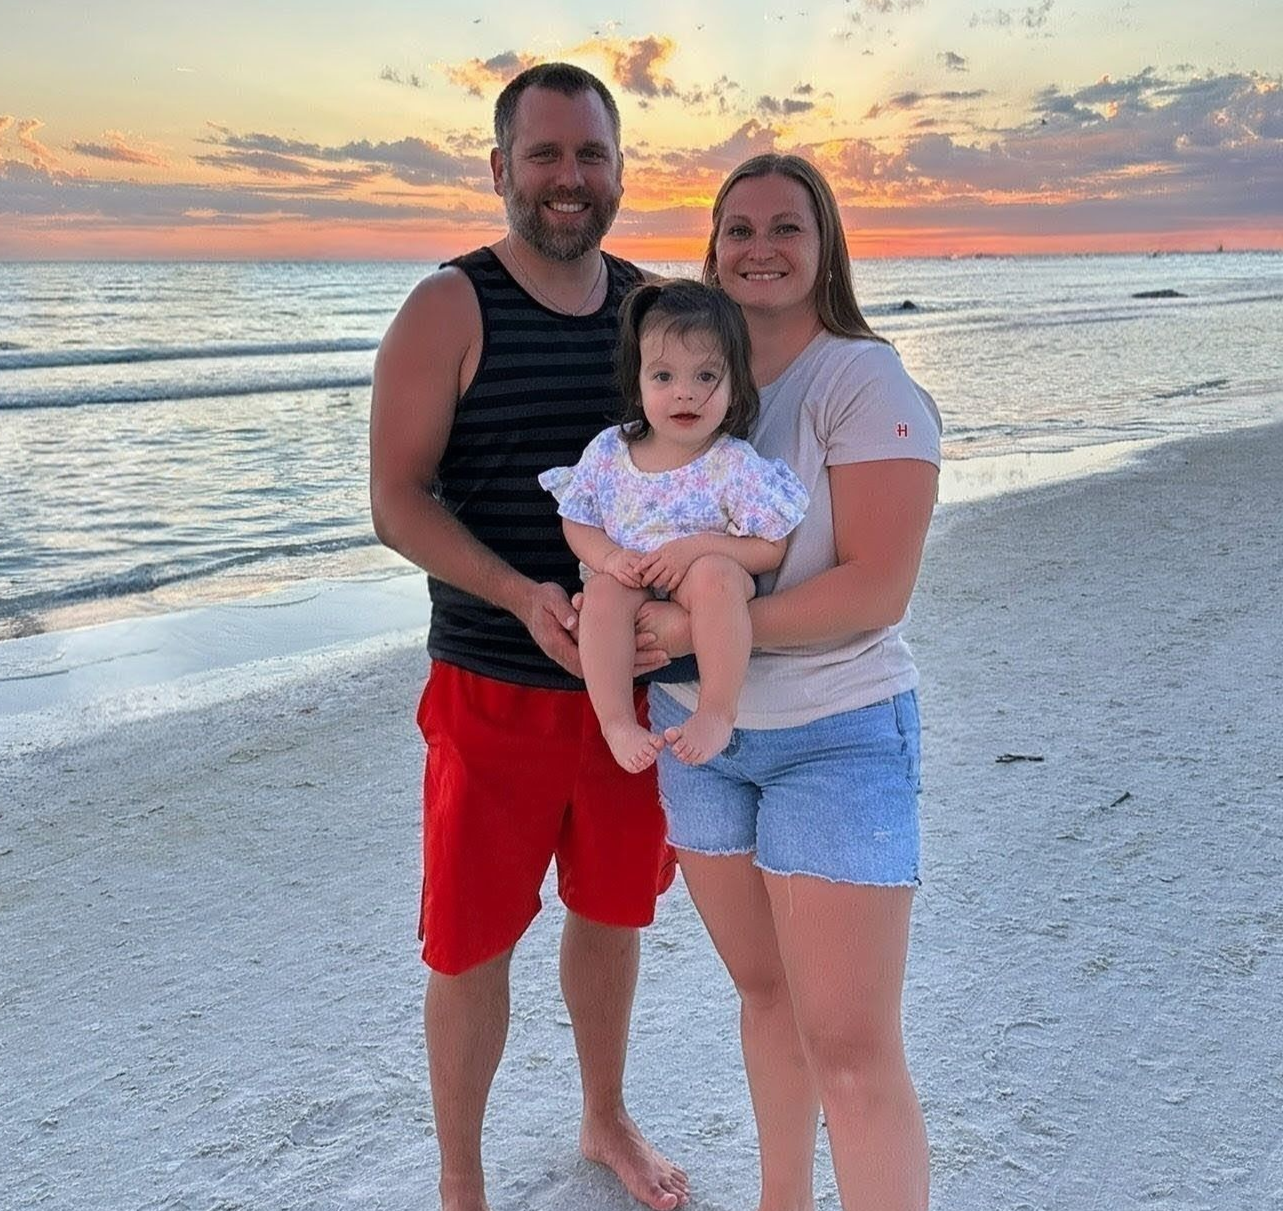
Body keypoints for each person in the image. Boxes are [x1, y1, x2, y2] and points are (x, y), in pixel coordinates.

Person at [369, 63, 689, 1211]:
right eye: (544, 155)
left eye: (588, 155)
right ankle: (462, 1180)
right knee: (467, 946)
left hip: (628, 698)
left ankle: (604, 1115)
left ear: (616, 171)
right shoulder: (448, 307)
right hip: (490, 692)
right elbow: (399, 498)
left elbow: (698, 480)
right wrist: (516, 592)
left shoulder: (652, 312)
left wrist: (673, 618)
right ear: (500, 168)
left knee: (610, 916)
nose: (568, 179)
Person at [639, 155, 942, 1210]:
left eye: (785, 227)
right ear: (710, 247)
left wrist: (698, 627)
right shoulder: (686, 387)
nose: (758, 247)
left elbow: (877, 585)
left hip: (837, 733)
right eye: (736, 228)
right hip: (699, 741)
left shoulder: (860, 379)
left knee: (851, 1049)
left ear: (824, 251)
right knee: (765, 998)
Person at [538, 280, 808, 772]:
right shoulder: (610, 452)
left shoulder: (733, 463)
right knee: (601, 593)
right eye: (663, 376)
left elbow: (771, 547)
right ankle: (617, 721)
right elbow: (576, 520)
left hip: (702, 584)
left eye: (706, 376)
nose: (685, 392)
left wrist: (699, 549)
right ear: (638, 384)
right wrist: (608, 558)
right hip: (633, 577)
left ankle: (716, 710)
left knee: (715, 575)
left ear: (734, 386)